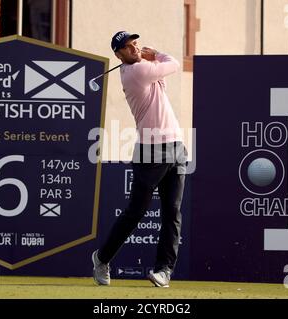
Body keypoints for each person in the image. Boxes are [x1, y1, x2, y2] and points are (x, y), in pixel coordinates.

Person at [92, 31, 187, 288]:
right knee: (136, 212)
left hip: (176, 146)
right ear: (118, 54)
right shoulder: (136, 73)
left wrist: (152, 57)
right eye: (127, 46)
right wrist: (155, 54)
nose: (133, 47)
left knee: (172, 212)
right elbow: (174, 64)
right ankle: (102, 259)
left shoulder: (144, 69)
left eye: (134, 43)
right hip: (150, 150)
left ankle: (163, 270)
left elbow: (163, 75)